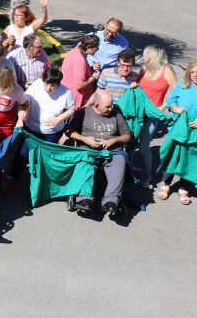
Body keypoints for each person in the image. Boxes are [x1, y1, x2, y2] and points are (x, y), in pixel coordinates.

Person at [67, 90, 132, 220]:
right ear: (96, 105)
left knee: (120, 162)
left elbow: (127, 136)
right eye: (108, 106)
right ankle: (84, 199)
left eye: (112, 105)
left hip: (112, 150)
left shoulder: (116, 114)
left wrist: (113, 140)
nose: (111, 108)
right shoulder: (83, 113)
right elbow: (69, 132)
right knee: (84, 162)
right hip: (88, 149)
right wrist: (84, 139)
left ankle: (111, 200)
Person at [132, 45, 178, 186]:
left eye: (146, 55)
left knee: (144, 146)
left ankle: (147, 177)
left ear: (154, 55)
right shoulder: (144, 70)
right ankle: (128, 173)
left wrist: (162, 108)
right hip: (137, 112)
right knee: (132, 144)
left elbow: (177, 92)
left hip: (152, 114)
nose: (144, 57)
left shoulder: (166, 70)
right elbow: (134, 85)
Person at [24, 67, 76, 142]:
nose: (48, 88)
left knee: (47, 152)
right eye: (46, 84)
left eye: (52, 85)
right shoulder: (37, 84)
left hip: (51, 131)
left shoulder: (66, 92)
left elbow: (72, 109)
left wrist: (58, 119)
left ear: (58, 85)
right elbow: (26, 99)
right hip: (31, 127)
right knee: (25, 152)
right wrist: (24, 111)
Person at [61, 34, 101, 108]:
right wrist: (94, 78)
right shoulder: (80, 60)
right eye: (96, 47)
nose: (98, 49)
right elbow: (79, 86)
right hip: (75, 100)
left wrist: (91, 68)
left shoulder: (74, 52)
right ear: (89, 47)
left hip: (68, 94)